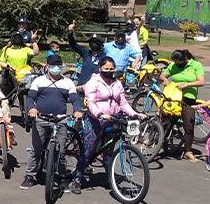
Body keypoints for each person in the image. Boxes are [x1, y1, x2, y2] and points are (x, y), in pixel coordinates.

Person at [79, 57, 146, 191]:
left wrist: (135, 114)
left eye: (111, 69)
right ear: (100, 69)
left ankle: (110, 179)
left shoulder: (117, 83)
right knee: (88, 151)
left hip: (113, 119)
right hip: (95, 120)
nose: (109, 71)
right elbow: (91, 102)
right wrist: (99, 114)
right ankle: (77, 178)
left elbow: (123, 103)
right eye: (106, 69)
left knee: (108, 152)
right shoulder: (93, 82)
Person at [20, 54, 83, 192]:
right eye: (53, 65)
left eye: (58, 66)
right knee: (36, 149)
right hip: (41, 119)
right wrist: (31, 108)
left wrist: (78, 110)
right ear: (47, 66)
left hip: (60, 120)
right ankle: (30, 176)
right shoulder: (38, 81)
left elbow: (75, 100)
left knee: (60, 151)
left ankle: (61, 178)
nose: (56, 68)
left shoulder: (68, 82)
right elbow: (31, 98)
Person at [161, 49, 206, 162]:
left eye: (179, 63)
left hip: (188, 99)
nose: (176, 65)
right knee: (167, 122)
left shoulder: (196, 65)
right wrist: (165, 79)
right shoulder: (173, 65)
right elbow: (163, 75)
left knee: (189, 125)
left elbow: (201, 82)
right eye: (175, 63)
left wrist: (187, 84)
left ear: (185, 59)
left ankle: (188, 151)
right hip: (173, 97)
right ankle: (159, 142)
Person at [67, 22, 107, 90]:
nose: (94, 44)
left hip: (96, 89)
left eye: (96, 42)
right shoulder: (85, 53)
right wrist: (70, 33)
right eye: (92, 41)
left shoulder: (104, 58)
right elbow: (73, 45)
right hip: (81, 87)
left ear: (101, 44)